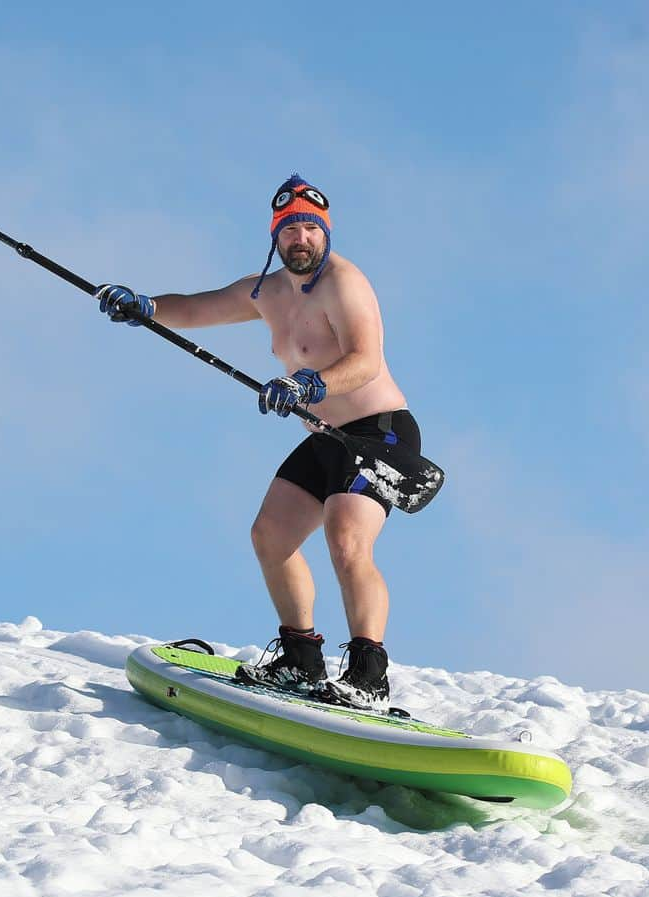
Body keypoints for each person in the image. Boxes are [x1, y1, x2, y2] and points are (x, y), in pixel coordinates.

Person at [96, 174, 421, 710]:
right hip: (325, 437)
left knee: (346, 539)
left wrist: (311, 382)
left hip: (377, 430)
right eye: (290, 229)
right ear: (275, 237)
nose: (300, 239)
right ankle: (301, 657)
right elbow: (199, 308)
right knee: (270, 535)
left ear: (326, 234)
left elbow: (364, 360)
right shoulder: (267, 291)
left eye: (310, 229)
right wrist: (145, 306)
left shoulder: (345, 282)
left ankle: (368, 674)